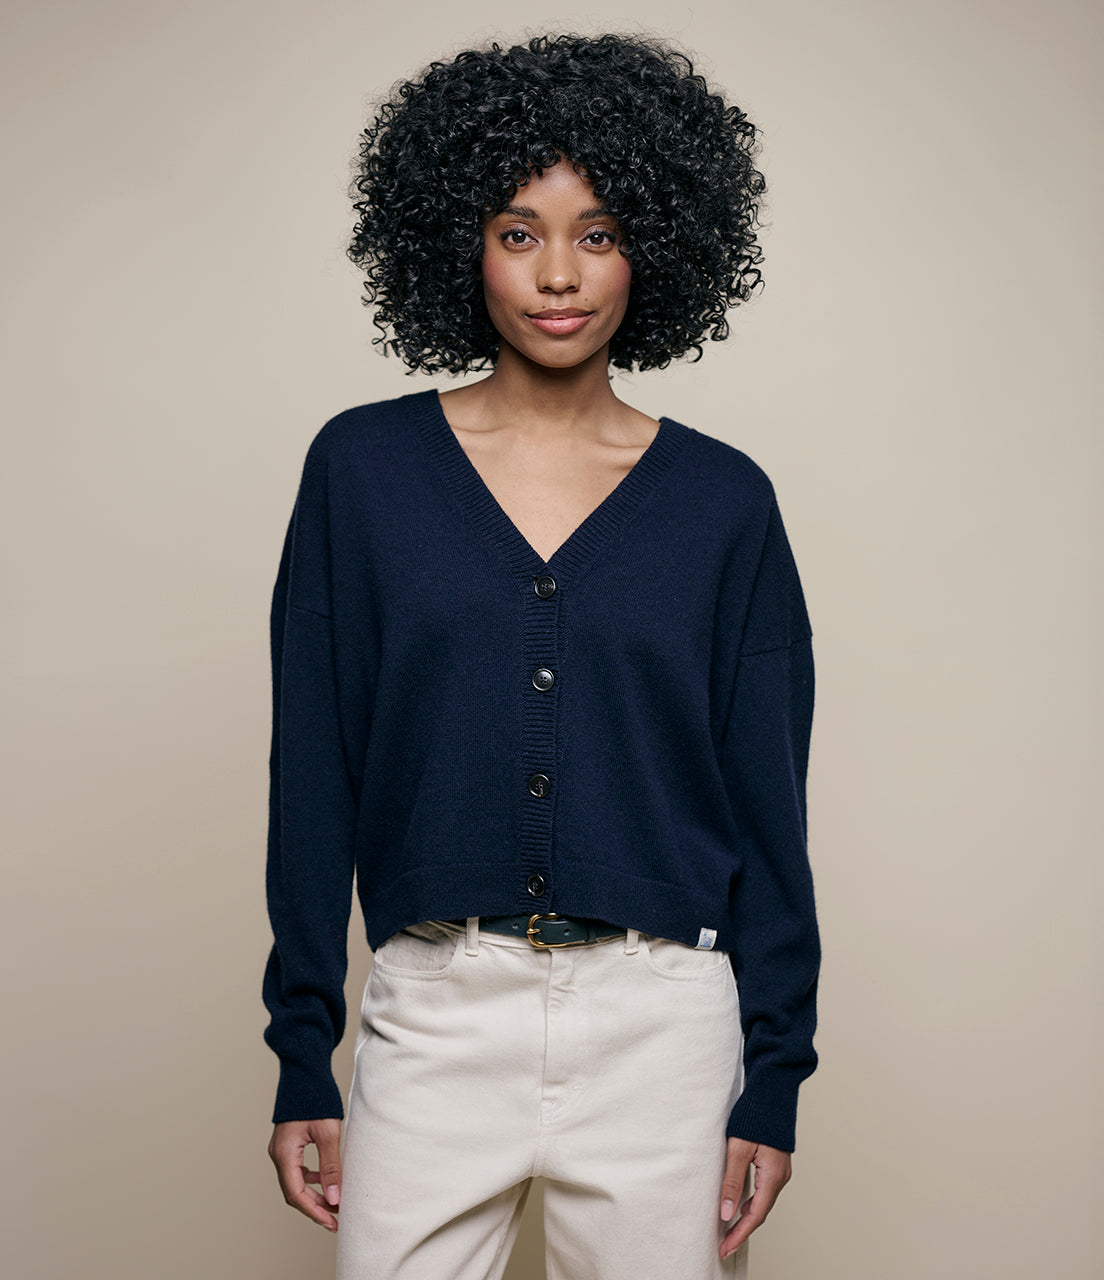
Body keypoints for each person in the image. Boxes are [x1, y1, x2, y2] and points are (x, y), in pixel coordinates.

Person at [262, 31, 820, 1280]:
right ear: (459, 244)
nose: (558, 275)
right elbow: (313, 770)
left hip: (663, 1027)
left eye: (599, 231)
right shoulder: (362, 472)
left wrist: (772, 1075)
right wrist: (304, 1046)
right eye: (518, 232)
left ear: (655, 247)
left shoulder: (725, 503)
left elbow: (769, 805)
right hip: (435, 1008)